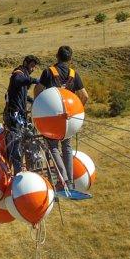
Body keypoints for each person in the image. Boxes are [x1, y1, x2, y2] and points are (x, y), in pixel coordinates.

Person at [38, 45, 89, 188]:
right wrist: (78, 110)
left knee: (53, 146)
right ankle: (71, 181)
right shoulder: (74, 74)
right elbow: (84, 96)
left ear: (57, 56)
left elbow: (38, 90)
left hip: (52, 118)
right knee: (66, 146)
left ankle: (63, 180)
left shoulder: (49, 72)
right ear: (70, 58)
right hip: (69, 118)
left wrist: (39, 109)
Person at [2, 55, 40, 174]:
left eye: (34, 67)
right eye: (32, 66)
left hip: (20, 115)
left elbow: (21, 95)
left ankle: (29, 170)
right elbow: (18, 80)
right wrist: (34, 80)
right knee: (17, 145)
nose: (33, 69)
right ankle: (18, 173)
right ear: (25, 63)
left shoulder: (24, 76)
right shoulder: (18, 73)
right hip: (14, 116)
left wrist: (33, 100)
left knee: (28, 142)